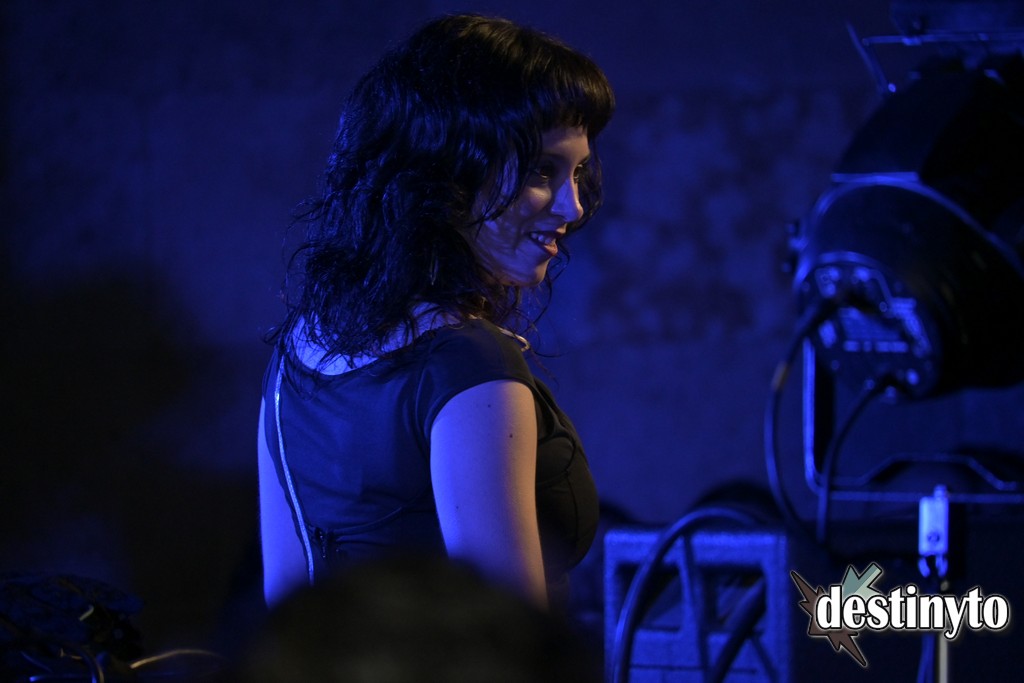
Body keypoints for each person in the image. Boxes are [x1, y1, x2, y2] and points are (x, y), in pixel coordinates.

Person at [257, 13, 614, 612]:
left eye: (577, 172)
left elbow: (286, 604)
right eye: (541, 170)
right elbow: (509, 640)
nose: (573, 206)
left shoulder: (300, 346)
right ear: (447, 172)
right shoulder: (467, 364)